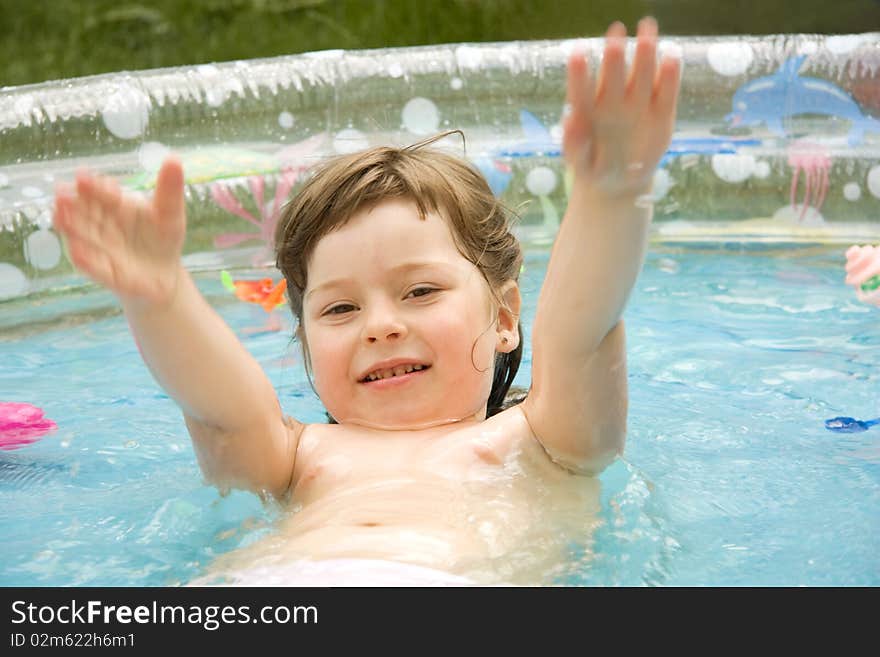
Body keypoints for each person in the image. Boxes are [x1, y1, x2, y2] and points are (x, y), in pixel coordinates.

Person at [52, 18, 680, 585]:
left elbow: (581, 334)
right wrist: (158, 296)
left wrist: (611, 196)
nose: (380, 326)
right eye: (339, 309)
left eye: (421, 291)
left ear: (505, 317)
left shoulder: (541, 442)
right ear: (304, 340)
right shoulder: (298, 458)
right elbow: (222, 409)